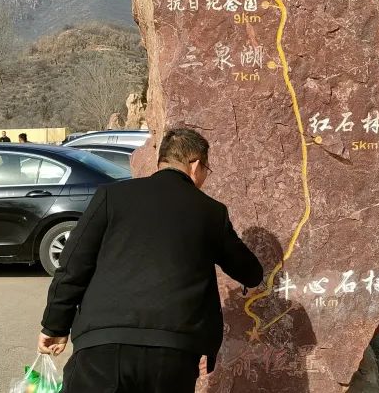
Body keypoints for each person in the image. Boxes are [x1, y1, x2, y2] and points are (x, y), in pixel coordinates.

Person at [39, 128, 263, 392]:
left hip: (102, 345)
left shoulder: (112, 196)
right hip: (173, 353)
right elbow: (250, 272)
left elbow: (73, 265)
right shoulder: (211, 212)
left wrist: (55, 325)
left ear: (162, 161)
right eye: (206, 170)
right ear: (195, 165)